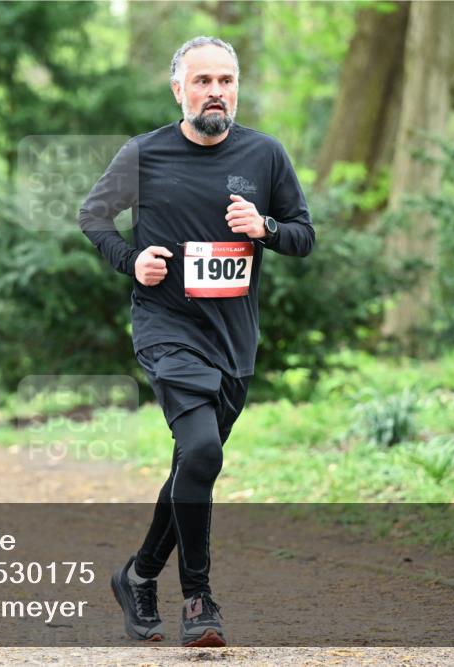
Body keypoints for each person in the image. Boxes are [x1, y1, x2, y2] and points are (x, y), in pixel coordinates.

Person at [80, 37, 314, 647]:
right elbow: (93, 217)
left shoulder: (265, 154)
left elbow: (303, 234)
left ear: (236, 88)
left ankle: (136, 576)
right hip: (167, 327)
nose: (216, 91)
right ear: (179, 89)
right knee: (204, 452)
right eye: (203, 80)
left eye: (227, 80)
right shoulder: (144, 154)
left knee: (193, 462)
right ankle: (198, 599)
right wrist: (132, 262)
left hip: (234, 339)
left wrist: (264, 228)